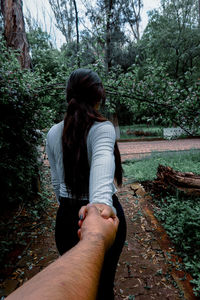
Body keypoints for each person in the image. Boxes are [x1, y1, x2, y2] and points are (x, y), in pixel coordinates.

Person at [46, 68, 127, 299]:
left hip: (66, 219)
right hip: (101, 220)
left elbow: (55, 183)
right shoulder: (102, 128)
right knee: (103, 287)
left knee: (75, 288)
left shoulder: (52, 133)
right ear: (98, 97)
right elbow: (102, 192)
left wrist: (68, 209)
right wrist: (98, 215)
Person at [6, 204, 119, 300]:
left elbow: (56, 184)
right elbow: (102, 201)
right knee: (105, 284)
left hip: (67, 214)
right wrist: (95, 236)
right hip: (100, 220)